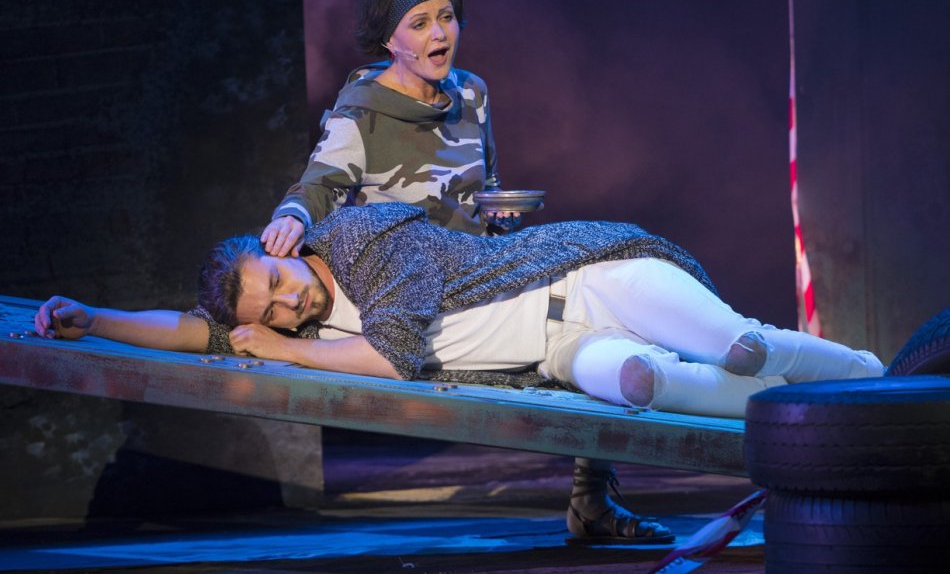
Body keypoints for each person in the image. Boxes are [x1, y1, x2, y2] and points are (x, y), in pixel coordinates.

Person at [35, 203, 884, 544]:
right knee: (642, 386)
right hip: (562, 354)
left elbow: (394, 359)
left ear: (280, 250)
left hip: (591, 279)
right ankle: (815, 418)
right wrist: (93, 319)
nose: (291, 302)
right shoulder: (302, 324)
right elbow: (195, 333)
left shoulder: (362, 239)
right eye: (275, 312)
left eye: (282, 280)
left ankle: (866, 380)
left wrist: (287, 349)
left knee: (737, 345)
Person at [261, 0, 518, 260]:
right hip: (409, 271)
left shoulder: (471, 90)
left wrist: (500, 213)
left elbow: (489, 186)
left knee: (564, 248)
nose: (439, 33)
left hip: (482, 262)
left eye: (446, 17)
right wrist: (292, 217)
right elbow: (320, 187)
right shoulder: (362, 107)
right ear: (388, 40)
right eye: (420, 24)